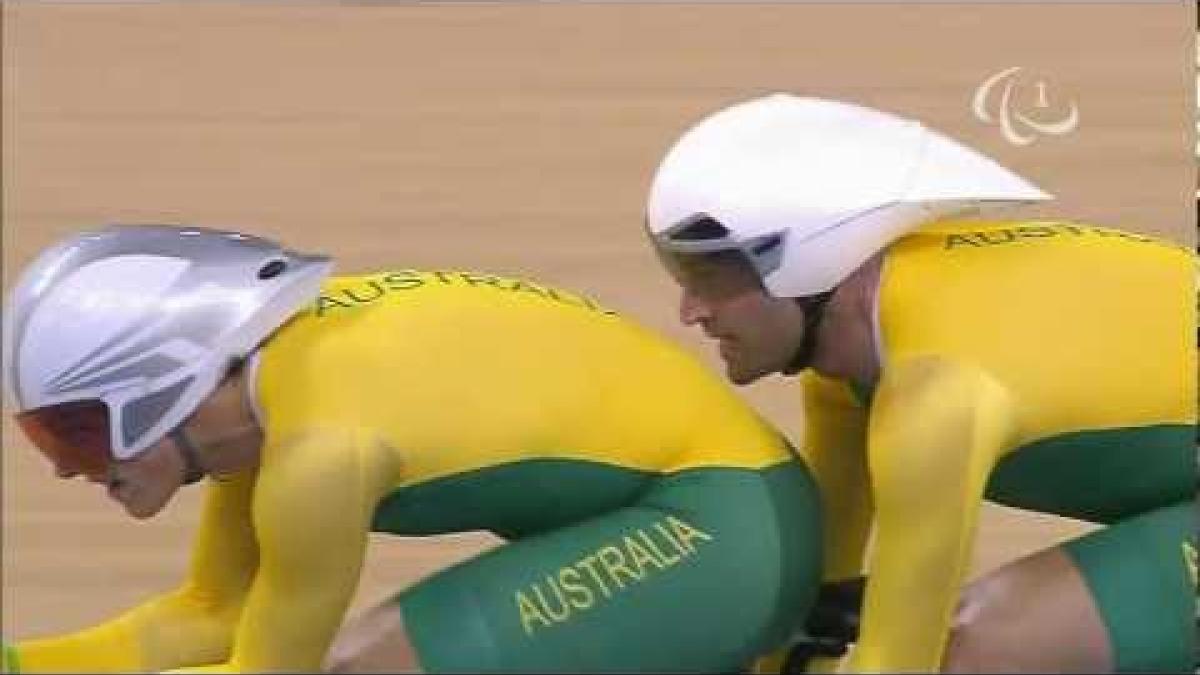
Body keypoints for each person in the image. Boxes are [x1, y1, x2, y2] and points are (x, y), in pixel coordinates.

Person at [1, 224, 826, 673]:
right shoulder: (263, 394)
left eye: (75, 429)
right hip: (719, 509)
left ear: (168, 382)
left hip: (721, 529)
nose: (66, 467)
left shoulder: (318, 455)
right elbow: (208, 617)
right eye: (43, 435)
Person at [641, 93, 1196, 672]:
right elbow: (816, 600)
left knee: (979, 651)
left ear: (807, 261)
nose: (690, 311)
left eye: (711, 276)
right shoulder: (851, 362)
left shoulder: (935, 397)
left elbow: (902, 656)